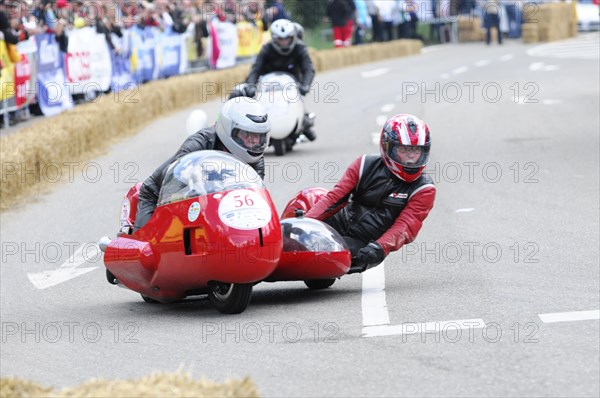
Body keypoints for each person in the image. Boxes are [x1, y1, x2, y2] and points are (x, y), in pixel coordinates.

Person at [304, 114, 436, 273]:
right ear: (388, 147)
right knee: (308, 199)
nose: (412, 156)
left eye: (417, 150)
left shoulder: (424, 189)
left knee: (322, 255)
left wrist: (379, 247)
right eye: (405, 149)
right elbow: (335, 198)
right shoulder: (364, 165)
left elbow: (405, 226)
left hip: (363, 241)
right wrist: (304, 224)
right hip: (338, 221)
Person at [133, 97, 271, 230]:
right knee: (150, 246)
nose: (254, 141)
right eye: (247, 134)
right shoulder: (199, 143)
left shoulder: (255, 160)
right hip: (159, 194)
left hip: (212, 198)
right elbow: (173, 183)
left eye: (259, 136)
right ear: (229, 130)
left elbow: (251, 198)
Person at [234, 18, 317, 141]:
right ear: (274, 38)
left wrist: (305, 85)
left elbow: (308, 69)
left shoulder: (300, 48)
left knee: (301, 112)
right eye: (280, 39)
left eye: (287, 38)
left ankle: (303, 122)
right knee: (238, 91)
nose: (284, 42)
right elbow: (256, 69)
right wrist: (251, 85)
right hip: (267, 85)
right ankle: (237, 124)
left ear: (293, 37)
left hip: (292, 85)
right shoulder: (266, 48)